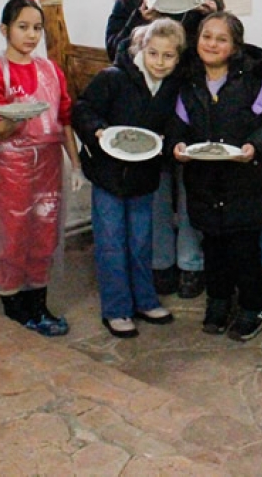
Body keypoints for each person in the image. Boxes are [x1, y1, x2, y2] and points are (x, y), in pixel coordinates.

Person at [105, 0, 222, 301]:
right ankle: (160, 263)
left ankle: (191, 263)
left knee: (191, 180)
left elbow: (223, 44)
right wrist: (140, 21)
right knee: (155, 184)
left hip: (191, 102)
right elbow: (115, 51)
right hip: (148, 103)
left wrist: (213, 17)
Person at [171, 12, 262, 342]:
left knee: (244, 251)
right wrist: (177, 145)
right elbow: (176, 128)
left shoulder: (253, 84)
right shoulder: (189, 85)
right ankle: (219, 301)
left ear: (235, 46)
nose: (212, 43)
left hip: (246, 186)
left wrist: (255, 145)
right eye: (206, 36)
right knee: (213, 249)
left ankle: (253, 307)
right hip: (205, 186)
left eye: (221, 39)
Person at [72, 19, 187, 338]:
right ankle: (117, 308)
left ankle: (145, 300)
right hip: (109, 175)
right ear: (142, 49)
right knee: (111, 242)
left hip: (144, 176)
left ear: (177, 58)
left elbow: (174, 124)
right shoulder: (114, 78)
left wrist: (171, 144)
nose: (160, 62)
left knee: (140, 241)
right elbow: (82, 109)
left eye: (168, 56)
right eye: (154, 54)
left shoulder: (171, 87)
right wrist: (97, 132)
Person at [0, 0, 82, 337]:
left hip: (49, 163)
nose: (31, 35)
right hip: (12, 166)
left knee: (45, 233)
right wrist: (13, 118)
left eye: (37, 28)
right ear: (5, 30)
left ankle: (39, 303)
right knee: (13, 235)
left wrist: (76, 165)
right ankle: (14, 305)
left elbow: (65, 120)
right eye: (23, 27)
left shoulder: (51, 71)